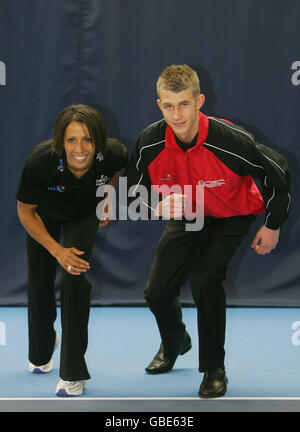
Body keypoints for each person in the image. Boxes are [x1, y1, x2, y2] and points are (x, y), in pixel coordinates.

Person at [124, 64, 291, 398]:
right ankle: (175, 341)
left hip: (233, 214)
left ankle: (214, 368)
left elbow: (277, 171)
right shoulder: (148, 143)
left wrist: (272, 225)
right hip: (189, 214)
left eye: (184, 104)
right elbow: (132, 195)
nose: (177, 114)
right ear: (159, 105)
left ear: (199, 101)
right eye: (168, 106)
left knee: (204, 279)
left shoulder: (230, 140)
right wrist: (157, 208)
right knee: (156, 292)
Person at [16, 104, 127, 396]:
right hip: (44, 216)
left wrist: (108, 196)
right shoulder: (41, 161)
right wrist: (55, 250)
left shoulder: (111, 153)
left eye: (88, 139)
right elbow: (26, 213)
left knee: (73, 275)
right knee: (40, 285)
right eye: (71, 140)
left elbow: (115, 171)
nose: (80, 148)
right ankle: (43, 347)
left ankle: (74, 373)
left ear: (98, 142)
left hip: (83, 215)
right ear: (60, 142)